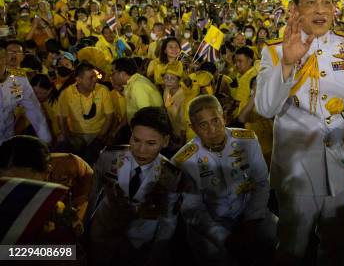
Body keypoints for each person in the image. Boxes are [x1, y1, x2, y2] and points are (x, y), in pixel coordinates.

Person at [255, 0, 344, 264]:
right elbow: (264, 107)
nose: (321, 9)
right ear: (296, 10)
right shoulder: (274, 51)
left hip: (340, 168)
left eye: (327, 1)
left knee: (335, 249)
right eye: (311, 2)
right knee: (291, 249)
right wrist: (287, 63)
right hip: (296, 173)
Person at [173, 95, 277, 264]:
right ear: (193, 128)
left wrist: (250, 221)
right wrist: (224, 238)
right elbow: (193, 209)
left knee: (277, 237)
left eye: (215, 121)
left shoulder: (248, 140)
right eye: (203, 125)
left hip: (248, 210)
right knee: (216, 256)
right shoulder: (184, 160)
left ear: (224, 118)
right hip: (211, 222)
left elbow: (261, 182)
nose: (212, 130)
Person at [87, 107, 184, 266]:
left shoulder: (170, 175)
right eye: (136, 140)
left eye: (151, 143)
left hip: (139, 241)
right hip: (103, 232)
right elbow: (92, 194)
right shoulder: (109, 156)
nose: (140, 150)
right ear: (130, 133)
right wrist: (84, 229)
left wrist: (155, 255)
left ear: (165, 141)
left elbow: (168, 220)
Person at [57, 62, 114, 159]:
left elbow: (110, 117)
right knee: (61, 141)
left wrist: (99, 138)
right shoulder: (66, 93)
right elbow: (62, 119)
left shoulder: (103, 90)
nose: (95, 80)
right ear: (78, 80)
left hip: (98, 133)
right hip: (76, 135)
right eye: (91, 78)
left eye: (95, 76)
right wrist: (69, 138)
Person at [0, 44, 52, 144]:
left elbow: (34, 110)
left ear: (5, 60)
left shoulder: (17, 80)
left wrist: (46, 140)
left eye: (1, 59)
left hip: (6, 139)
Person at [110, 57, 163, 123]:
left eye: (112, 73)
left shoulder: (138, 86)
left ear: (122, 74)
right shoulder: (133, 82)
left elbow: (147, 118)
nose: (111, 76)